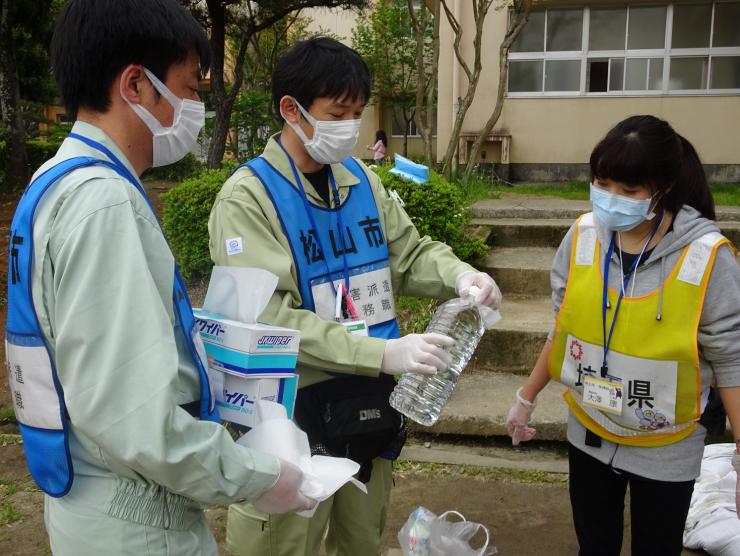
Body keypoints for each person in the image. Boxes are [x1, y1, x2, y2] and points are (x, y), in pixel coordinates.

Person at [5, 1, 313, 554]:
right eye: (190, 87)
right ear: (136, 86)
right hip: (137, 522)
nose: (196, 104)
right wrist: (261, 478)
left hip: (86, 498)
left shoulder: (53, 181)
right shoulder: (104, 204)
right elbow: (137, 420)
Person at [208, 36, 501, 556]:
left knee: (361, 537)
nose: (350, 125)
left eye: (357, 113)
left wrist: (461, 276)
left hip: (369, 404)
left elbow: (408, 254)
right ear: (290, 109)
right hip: (289, 414)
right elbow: (271, 317)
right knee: (282, 542)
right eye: (338, 112)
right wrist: (382, 353)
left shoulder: (360, 180)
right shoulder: (248, 197)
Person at [505, 115, 740, 555]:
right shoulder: (583, 236)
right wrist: (526, 397)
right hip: (590, 428)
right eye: (602, 183)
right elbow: (565, 326)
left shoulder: (706, 258)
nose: (611, 200)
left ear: (663, 190)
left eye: (629, 191)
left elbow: (731, 361)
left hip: (666, 444)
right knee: (594, 546)